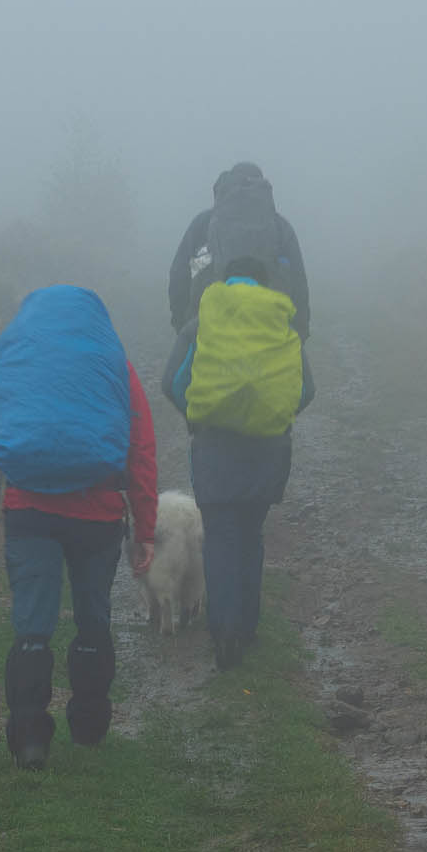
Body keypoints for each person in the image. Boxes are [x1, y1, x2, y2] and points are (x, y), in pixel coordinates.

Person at [0, 285, 157, 768]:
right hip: (99, 514)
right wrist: (145, 530)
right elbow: (141, 452)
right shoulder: (114, 368)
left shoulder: (22, 368)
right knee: (92, 619)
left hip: (31, 512)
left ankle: (29, 738)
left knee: (32, 627)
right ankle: (88, 728)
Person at [162, 257, 313, 671]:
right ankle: (246, 627)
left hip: (215, 446)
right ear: (264, 284)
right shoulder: (282, 325)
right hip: (268, 448)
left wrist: (197, 416)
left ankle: (224, 631)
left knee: (221, 533)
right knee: (250, 532)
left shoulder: (201, 323)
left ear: (223, 281)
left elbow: (170, 382)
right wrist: (272, 414)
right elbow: (305, 390)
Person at [168, 161, 311, 339]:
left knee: (184, 366)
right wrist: (299, 332)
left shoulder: (203, 223)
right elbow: (298, 283)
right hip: (271, 328)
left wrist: (182, 324)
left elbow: (179, 275)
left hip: (207, 326)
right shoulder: (280, 227)